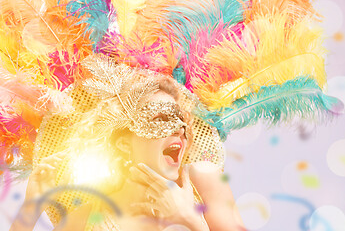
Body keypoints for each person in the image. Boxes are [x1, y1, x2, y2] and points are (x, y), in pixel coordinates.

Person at [10, 59, 245, 231]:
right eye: (161, 118)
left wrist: (190, 220)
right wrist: (32, 205)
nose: (179, 129)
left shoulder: (202, 180)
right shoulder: (88, 217)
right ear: (123, 143)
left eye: (181, 120)